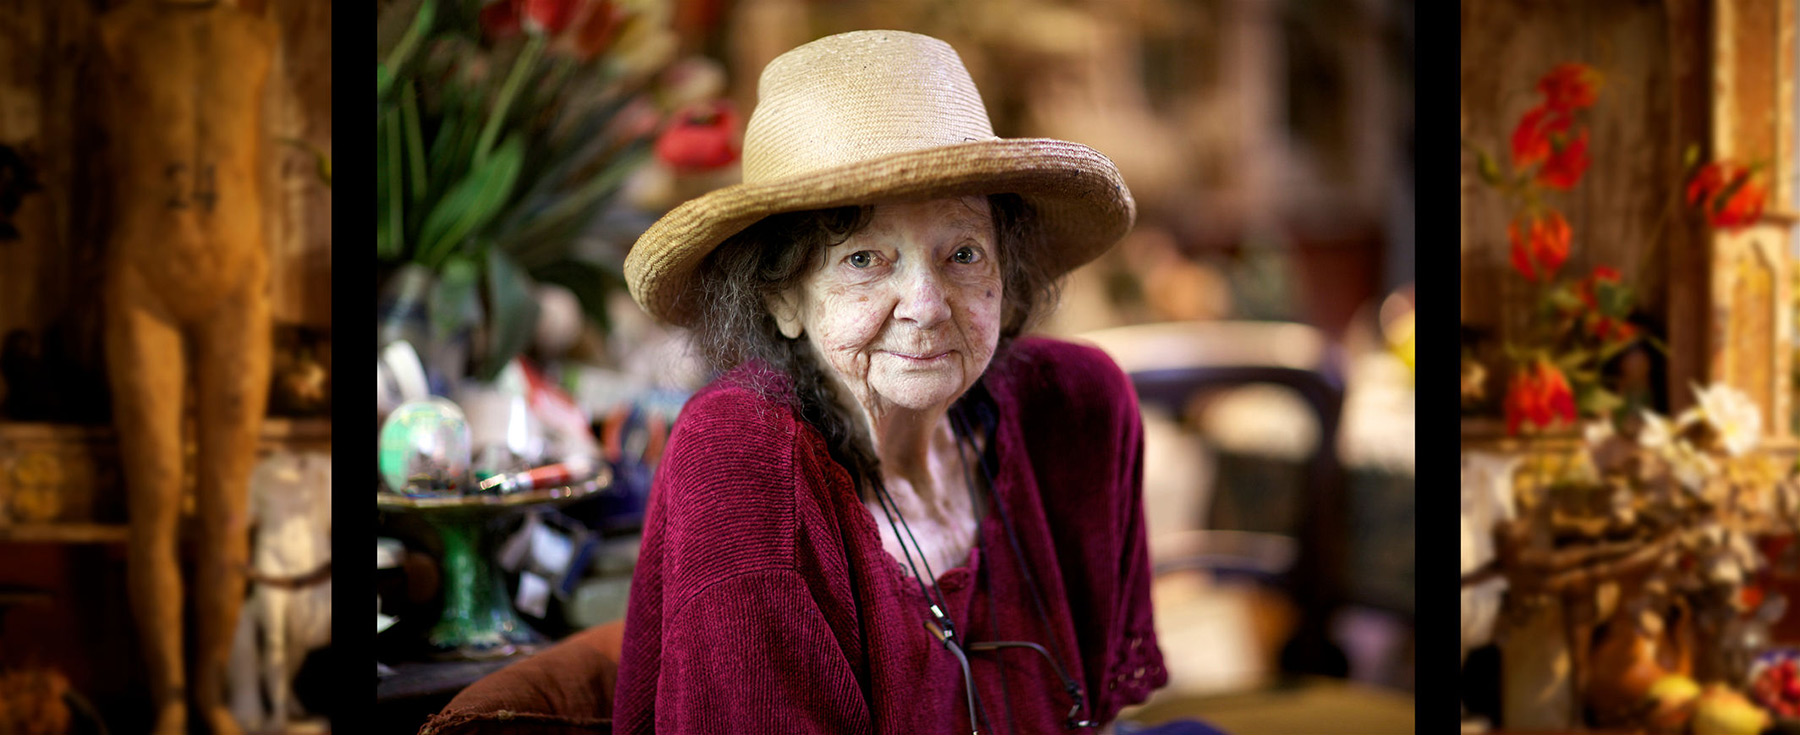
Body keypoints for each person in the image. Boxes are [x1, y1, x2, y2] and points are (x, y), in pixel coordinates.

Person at [616, 30, 1173, 734]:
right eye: (864, 259)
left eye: (963, 252)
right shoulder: (741, 456)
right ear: (781, 297)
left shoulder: (1071, 412)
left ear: (1010, 268)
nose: (928, 304)